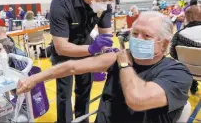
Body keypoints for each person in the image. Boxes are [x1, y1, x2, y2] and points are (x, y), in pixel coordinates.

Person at [17, 11, 192, 123]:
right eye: (134, 33)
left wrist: (124, 64)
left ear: (164, 44)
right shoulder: (118, 57)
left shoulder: (177, 73)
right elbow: (72, 67)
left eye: (147, 36)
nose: (137, 39)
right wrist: (33, 79)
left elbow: (138, 99)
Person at [47, 0, 121, 123]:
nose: (106, 4)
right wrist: (92, 49)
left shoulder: (104, 4)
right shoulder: (62, 2)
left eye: (110, 1)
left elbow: (105, 34)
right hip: (64, 52)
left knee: (84, 92)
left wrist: (108, 49)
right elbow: (61, 46)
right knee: (64, 95)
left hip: (87, 47)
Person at [170, 5, 201, 95]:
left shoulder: (179, 35)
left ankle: (193, 84)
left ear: (186, 18)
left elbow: (173, 54)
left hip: (187, 70)